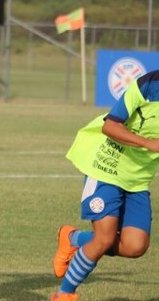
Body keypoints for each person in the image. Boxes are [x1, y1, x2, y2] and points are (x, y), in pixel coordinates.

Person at [50, 69, 159, 300]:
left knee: (135, 246)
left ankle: (73, 239)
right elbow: (110, 126)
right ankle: (64, 294)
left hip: (137, 179)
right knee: (105, 238)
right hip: (107, 167)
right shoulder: (148, 85)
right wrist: (147, 143)